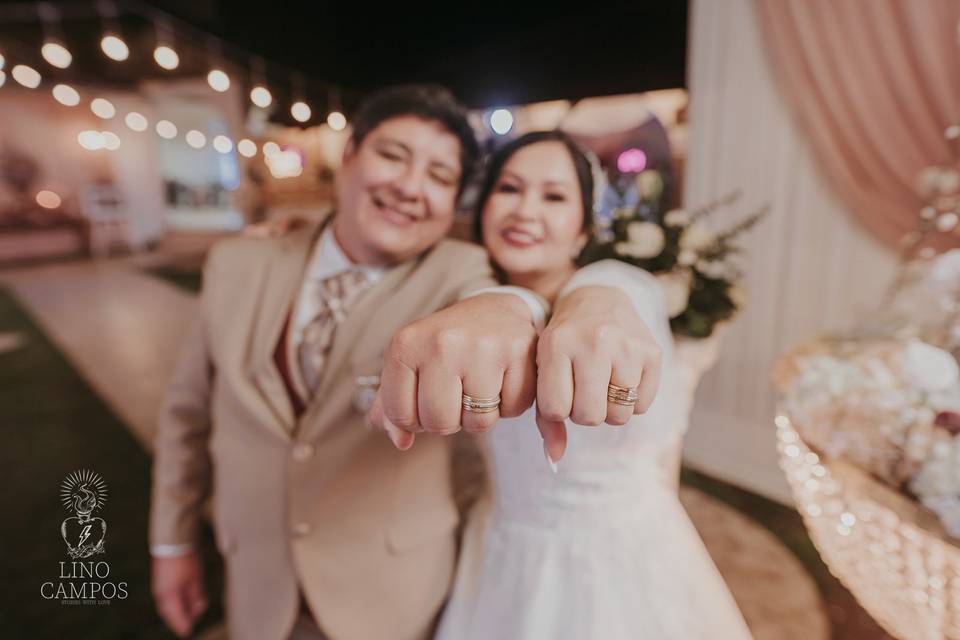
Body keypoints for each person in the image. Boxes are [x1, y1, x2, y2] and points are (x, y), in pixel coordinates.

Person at [149, 86, 662, 640]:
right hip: (254, 575)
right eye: (393, 156)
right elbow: (187, 415)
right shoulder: (236, 262)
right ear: (347, 157)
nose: (411, 187)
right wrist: (172, 544)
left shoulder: (466, 270)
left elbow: (512, 303)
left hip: (391, 597)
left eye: (441, 176)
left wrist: (568, 300)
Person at [433, 131, 754, 640]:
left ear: (584, 230)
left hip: (615, 555)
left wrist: (596, 297)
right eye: (510, 189)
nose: (525, 210)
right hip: (500, 539)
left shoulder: (613, 288)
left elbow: (617, 292)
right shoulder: (471, 298)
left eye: (554, 196)